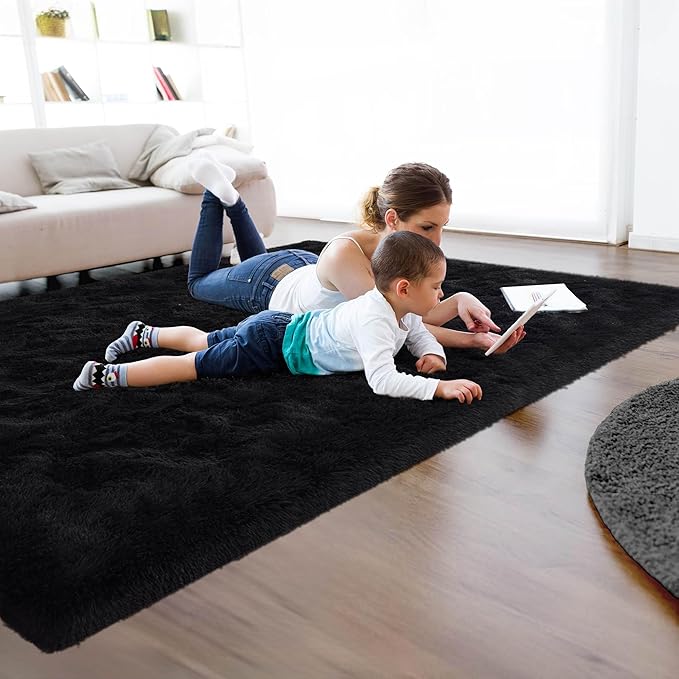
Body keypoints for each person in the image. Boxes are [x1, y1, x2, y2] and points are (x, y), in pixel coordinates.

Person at [73, 232, 483, 403]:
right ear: (404, 288)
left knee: (203, 339)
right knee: (193, 364)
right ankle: (106, 376)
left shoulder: (397, 307)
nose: (442, 294)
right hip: (272, 345)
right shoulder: (375, 320)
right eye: (437, 287)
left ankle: (145, 333)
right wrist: (438, 388)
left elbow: (416, 332)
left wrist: (433, 354)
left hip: (280, 323)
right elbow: (382, 380)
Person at [186, 159, 525, 354]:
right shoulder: (347, 255)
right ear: (392, 219)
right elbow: (395, 325)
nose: (437, 241)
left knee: (250, 260)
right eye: (427, 227)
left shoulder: (403, 251)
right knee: (198, 283)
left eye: (441, 227)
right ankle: (217, 194)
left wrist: (460, 300)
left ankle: (233, 202)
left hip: (304, 270)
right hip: (268, 283)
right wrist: (473, 340)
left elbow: (413, 313)